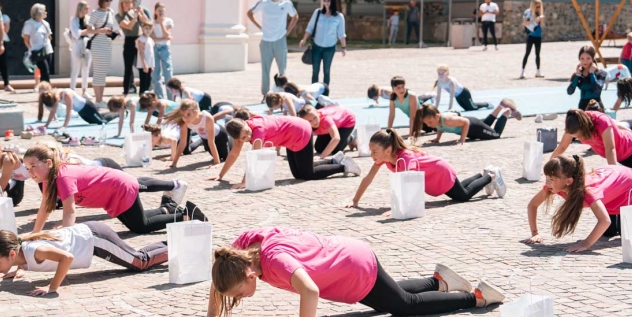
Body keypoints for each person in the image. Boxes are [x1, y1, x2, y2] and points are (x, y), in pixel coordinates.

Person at [197, 227, 504, 317]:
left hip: (352, 268)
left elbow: (311, 292)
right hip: (347, 257)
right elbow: (219, 274)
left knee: (404, 305)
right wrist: (212, 313)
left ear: (250, 274)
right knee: (389, 297)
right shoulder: (237, 253)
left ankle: (475, 298)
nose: (239, 299)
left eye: (238, 293)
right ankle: (439, 281)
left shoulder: (275, 262)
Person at [24, 143, 201, 235]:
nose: (30, 173)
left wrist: (67, 234)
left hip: (120, 187)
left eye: (33, 167)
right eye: (26, 169)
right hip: (112, 194)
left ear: (49, 163)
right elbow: (45, 208)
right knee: (139, 220)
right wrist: (35, 233)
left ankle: (187, 215)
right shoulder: (48, 180)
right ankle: (169, 209)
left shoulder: (63, 177)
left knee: (141, 226)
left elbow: (69, 211)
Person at [523, 156, 632, 253]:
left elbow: (605, 220)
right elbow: (532, 205)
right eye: (546, 178)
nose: (547, 183)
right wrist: (535, 234)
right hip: (608, 187)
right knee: (608, 232)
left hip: (625, 181)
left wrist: (586, 244)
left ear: (569, 181)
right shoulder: (552, 187)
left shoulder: (587, 192)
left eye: (552, 179)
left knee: (626, 234)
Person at [347, 128, 505, 209]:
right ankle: (482, 173)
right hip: (437, 173)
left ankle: (491, 176)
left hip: (440, 172)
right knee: (458, 189)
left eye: (374, 151)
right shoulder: (384, 158)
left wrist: (399, 209)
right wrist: (355, 201)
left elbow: (409, 187)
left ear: (388, 150)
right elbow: (368, 178)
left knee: (462, 196)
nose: (371, 155)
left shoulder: (405, 158)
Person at [0, 226, 168, 296]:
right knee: (137, 257)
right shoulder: (20, 252)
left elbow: (67, 258)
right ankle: (170, 243)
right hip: (91, 236)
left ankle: (177, 245)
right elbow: (23, 258)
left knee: (140, 263)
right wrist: (19, 269)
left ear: (11, 254)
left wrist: (52, 287)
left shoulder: (35, 250)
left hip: (95, 238)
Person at [216, 114, 360, 188]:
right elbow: (234, 153)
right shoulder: (241, 133)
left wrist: (244, 182)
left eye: (247, 132)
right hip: (290, 136)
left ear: (244, 122)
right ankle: (334, 160)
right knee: (298, 174)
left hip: (300, 131)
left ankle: (345, 166)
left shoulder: (257, 131)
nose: (248, 137)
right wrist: (220, 175)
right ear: (237, 139)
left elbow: (254, 160)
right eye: (244, 137)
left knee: (307, 174)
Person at [247, 0, 298, 96]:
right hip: (266, 42)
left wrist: (288, 31)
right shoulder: (264, 3)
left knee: (282, 71)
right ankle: (266, 95)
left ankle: (282, 94)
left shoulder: (286, 4)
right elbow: (249, 13)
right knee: (265, 70)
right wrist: (259, 26)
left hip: (280, 41)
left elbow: (295, 16)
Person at [410, 100, 519, 146]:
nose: (429, 125)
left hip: (474, 127)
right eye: (426, 123)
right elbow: (440, 127)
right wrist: (437, 138)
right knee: (487, 125)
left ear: (437, 116)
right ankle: (500, 106)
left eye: (429, 122)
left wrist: (462, 140)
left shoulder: (447, 119)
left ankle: (507, 112)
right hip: (473, 126)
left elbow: (466, 122)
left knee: (495, 134)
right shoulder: (438, 121)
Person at [298, 0, 347, 86]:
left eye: (328, 0)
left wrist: (343, 47)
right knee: (315, 71)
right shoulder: (318, 13)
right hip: (316, 46)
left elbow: (341, 34)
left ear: (333, 1)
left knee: (326, 71)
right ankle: (313, 92)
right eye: (324, 0)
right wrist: (304, 39)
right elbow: (310, 27)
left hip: (330, 48)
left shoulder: (339, 17)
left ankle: (325, 92)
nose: (326, 2)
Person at [164, 99, 229, 168]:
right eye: (183, 115)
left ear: (195, 112)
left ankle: (230, 140)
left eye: (188, 114)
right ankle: (201, 141)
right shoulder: (184, 122)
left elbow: (211, 142)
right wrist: (174, 163)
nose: (185, 118)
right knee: (218, 155)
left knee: (225, 157)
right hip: (205, 138)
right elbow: (182, 143)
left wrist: (216, 162)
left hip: (220, 135)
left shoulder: (207, 117)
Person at [86, 0, 118, 103]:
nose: (109, 3)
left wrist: (112, 32)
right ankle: (98, 99)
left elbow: (112, 26)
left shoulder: (111, 12)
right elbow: (88, 30)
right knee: (98, 72)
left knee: (103, 72)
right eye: (107, 0)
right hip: (98, 44)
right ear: (102, 0)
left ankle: (100, 99)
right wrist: (100, 30)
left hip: (107, 44)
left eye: (110, 0)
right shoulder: (95, 13)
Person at [117, 0, 151, 95]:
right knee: (128, 68)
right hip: (129, 41)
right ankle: (126, 92)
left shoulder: (134, 12)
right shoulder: (119, 15)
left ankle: (144, 92)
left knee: (143, 66)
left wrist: (141, 12)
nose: (128, 4)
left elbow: (147, 22)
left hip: (140, 40)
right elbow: (128, 26)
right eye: (126, 2)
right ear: (122, 3)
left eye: (130, 2)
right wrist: (135, 16)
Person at [41, 88, 106, 128]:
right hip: (81, 112)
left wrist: (64, 126)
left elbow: (68, 111)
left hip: (88, 108)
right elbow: (53, 111)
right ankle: (102, 115)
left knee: (101, 122)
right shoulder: (55, 97)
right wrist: (46, 125)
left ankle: (112, 113)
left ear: (56, 98)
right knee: (93, 122)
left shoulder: (67, 94)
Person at [22, 3, 53, 85]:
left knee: (46, 71)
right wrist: (30, 48)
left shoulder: (45, 23)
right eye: (44, 11)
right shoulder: (29, 24)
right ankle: (46, 88)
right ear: (39, 12)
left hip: (47, 50)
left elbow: (49, 36)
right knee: (44, 71)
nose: (46, 12)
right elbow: (26, 38)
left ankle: (43, 87)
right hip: (37, 51)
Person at [567, 46, 606, 110]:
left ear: (592, 58)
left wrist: (591, 73)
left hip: (597, 107)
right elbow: (569, 92)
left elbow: (597, 89)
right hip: (583, 107)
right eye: (582, 58)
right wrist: (577, 75)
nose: (585, 61)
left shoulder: (601, 73)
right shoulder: (578, 75)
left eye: (588, 58)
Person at [150, 2, 174, 99]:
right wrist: (163, 38)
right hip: (155, 48)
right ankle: (160, 98)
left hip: (165, 48)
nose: (160, 12)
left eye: (162, 11)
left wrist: (161, 23)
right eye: (159, 10)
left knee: (168, 72)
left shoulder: (168, 21)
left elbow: (167, 35)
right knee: (156, 74)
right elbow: (152, 38)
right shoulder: (152, 23)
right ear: (155, 11)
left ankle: (171, 98)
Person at [67, 1, 91, 96]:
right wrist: (86, 31)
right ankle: (72, 89)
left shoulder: (88, 19)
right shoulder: (74, 20)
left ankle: (84, 90)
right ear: (81, 9)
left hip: (87, 45)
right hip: (77, 45)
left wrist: (84, 32)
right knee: (75, 68)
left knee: (86, 68)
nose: (87, 10)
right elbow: (75, 33)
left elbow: (91, 32)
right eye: (86, 8)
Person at [520, 0, 544, 78]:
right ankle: (522, 72)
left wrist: (541, 20)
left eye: (539, 6)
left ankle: (538, 71)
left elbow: (541, 26)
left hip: (538, 35)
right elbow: (524, 23)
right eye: (537, 6)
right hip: (531, 35)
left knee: (538, 54)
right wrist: (534, 20)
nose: (538, 8)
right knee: (527, 53)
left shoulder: (539, 13)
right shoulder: (528, 12)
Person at [0, 0, 14, 92]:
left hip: (2, 41)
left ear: (0, 7)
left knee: (3, 63)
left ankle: (6, 84)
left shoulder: (4, 17)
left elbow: (6, 30)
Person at [135, 22, 156, 95]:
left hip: (149, 64)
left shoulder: (150, 39)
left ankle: (147, 98)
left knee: (148, 83)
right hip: (143, 65)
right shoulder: (141, 39)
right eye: (146, 28)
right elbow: (141, 52)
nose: (148, 30)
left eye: (150, 29)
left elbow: (151, 53)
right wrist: (144, 64)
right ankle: (142, 98)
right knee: (143, 84)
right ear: (142, 28)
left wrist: (151, 65)